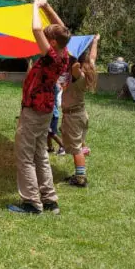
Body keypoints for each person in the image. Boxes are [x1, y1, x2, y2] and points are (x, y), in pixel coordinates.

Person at [9, 0, 70, 216]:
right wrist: (47, 7)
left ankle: (31, 202)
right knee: (40, 153)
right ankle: (50, 199)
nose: (44, 37)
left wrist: (35, 6)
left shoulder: (52, 56)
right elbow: (63, 29)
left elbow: (35, 28)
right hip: (45, 109)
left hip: (34, 108)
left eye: (48, 36)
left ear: (52, 42)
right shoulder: (65, 54)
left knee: (25, 154)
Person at [61, 35, 99, 187]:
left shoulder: (79, 75)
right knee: (79, 145)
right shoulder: (88, 69)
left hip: (73, 116)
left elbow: (74, 67)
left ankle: (80, 179)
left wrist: (71, 55)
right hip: (80, 114)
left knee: (76, 149)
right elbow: (93, 57)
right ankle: (79, 173)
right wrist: (94, 42)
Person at [47, 84, 65, 155]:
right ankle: (50, 148)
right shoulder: (54, 85)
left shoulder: (54, 86)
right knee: (47, 132)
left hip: (53, 114)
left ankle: (63, 146)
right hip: (50, 113)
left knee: (52, 133)